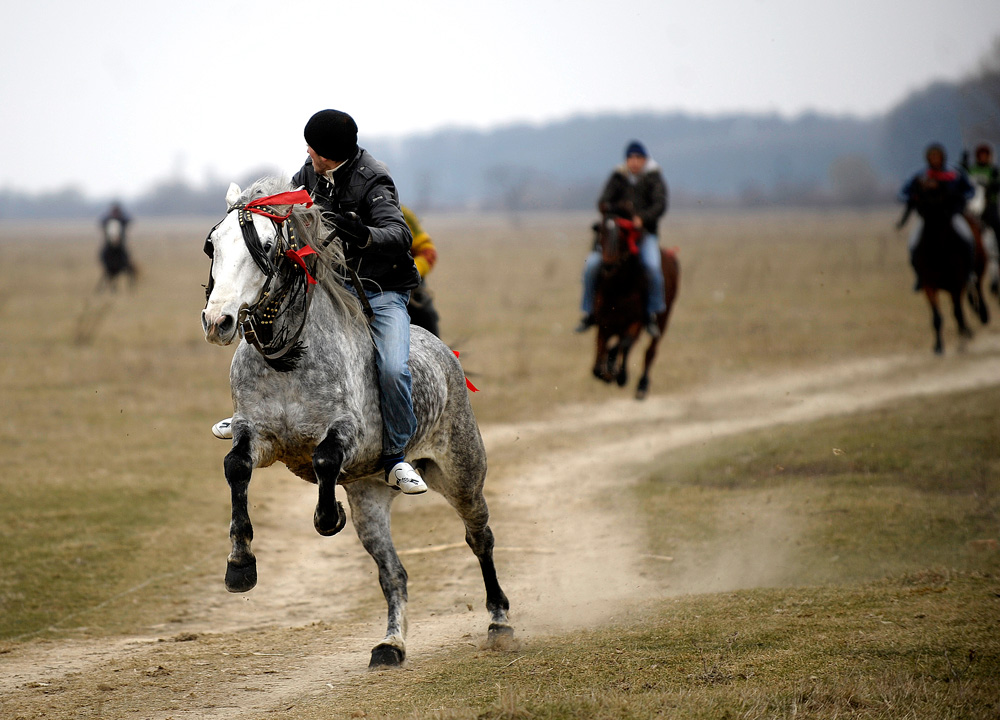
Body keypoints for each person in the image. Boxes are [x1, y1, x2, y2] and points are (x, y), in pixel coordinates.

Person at [212, 109, 427, 496]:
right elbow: (284, 208)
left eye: (313, 150)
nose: (308, 155)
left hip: (379, 291)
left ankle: (396, 456)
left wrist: (362, 233)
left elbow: (398, 234)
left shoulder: (374, 180)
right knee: (267, 315)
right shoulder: (309, 173)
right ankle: (249, 415)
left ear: (329, 155)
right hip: (329, 285)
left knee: (394, 368)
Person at [576, 140, 668, 338]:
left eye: (638, 158)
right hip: (615, 234)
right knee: (591, 265)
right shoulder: (618, 176)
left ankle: (652, 313)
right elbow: (604, 201)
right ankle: (588, 312)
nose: (634, 162)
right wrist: (618, 211)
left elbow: (660, 205)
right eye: (631, 158)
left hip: (645, 235)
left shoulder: (654, 178)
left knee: (652, 266)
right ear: (626, 160)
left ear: (645, 160)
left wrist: (642, 218)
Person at [898, 143, 976, 274]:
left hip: (951, 216)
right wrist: (914, 197)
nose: (935, 159)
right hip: (927, 219)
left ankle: (969, 273)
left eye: (937, 156)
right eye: (932, 156)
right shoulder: (921, 176)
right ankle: (920, 277)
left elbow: (970, 191)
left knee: (968, 238)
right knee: (913, 243)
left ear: (942, 157)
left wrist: (960, 197)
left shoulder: (954, 174)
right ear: (927, 159)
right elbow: (902, 193)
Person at [962, 142, 1000, 294]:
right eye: (981, 155)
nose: (983, 158)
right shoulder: (971, 169)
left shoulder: (993, 170)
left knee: (997, 226)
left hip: (989, 206)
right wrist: (963, 164)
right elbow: (963, 179)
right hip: (973, 207)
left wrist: (994, 185)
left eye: (986, 155)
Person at [401, 205, 441, 337]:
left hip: (409, 289)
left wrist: (412, 271)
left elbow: (428, 250)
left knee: (426, 315)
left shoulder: (403, 213)